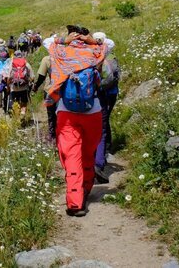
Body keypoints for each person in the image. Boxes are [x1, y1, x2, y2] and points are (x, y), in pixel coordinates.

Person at [44, 27, 107, 217]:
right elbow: (109, 43)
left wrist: (64, 40)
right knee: (88, 153)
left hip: (67, 112)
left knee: (72, 157)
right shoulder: (95, 53)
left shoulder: (61, 52)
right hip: (93, 110)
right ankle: (86, 189)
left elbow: (48, 41)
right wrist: (91, 40)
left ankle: (75, 202)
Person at [92, 32, 119, 184]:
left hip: (90, 98)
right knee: (102, 127)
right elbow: (115, 76)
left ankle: (91, 162)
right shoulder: (110, 57)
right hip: (107, 94)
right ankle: (101, 160)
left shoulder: (87, 56)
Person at [1, 50, 32, 118]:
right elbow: (32, 77)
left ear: (14, 56)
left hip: (14, 88)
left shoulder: (11, 64)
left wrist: (8, 88)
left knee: (16, 102)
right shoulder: (26, 63)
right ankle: (23, 113)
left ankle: (17, 118)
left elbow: (8, 78)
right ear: (22, 55)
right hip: (24, 88)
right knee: (24, 104)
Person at [33, 52, 56, 143]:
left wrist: (36, 87)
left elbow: (41, 77)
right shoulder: (68, 56)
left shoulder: (47, 59)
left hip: (50, 90)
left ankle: (52, 134)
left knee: (51, 114)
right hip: (65, 90)